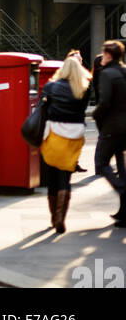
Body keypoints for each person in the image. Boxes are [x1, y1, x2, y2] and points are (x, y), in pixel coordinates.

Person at [39, 54, 91, 233]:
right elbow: (83, 109)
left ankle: (54, 217)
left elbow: (42, 108)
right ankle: (61, 217)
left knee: (52, 175)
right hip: (75, 136)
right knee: (66, 176)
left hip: (54, 134)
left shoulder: (51, 86)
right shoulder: (84, 88)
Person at [94, 39, 126, 226]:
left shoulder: (107, 74)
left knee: (102, 161)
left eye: (105, 53)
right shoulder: (124, 71)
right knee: (121, 163)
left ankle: (122, 188)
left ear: (109, 55)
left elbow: (104, 102)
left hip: (112, 126)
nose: (102, 56)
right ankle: (124, 213)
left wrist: (97, 116)